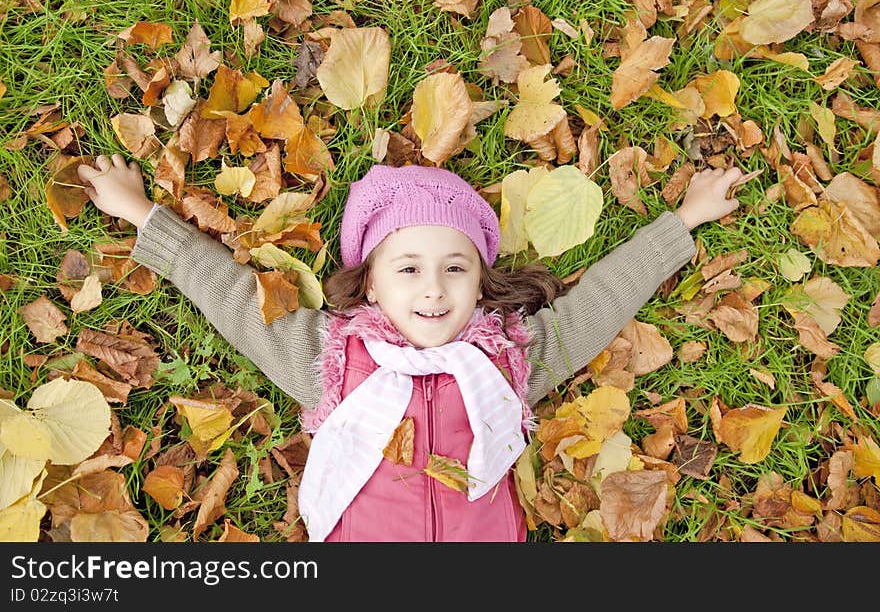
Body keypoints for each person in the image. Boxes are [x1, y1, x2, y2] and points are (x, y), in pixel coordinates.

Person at [77, 154, 746, 542]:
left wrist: (682, 219)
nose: (433, 289)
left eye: (455, 268)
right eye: (408, 268)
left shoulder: (507, 357)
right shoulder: (332, 357)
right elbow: (226, 295)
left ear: (481, 280)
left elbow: (601, 303)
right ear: (369, 281)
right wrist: (142, 214)